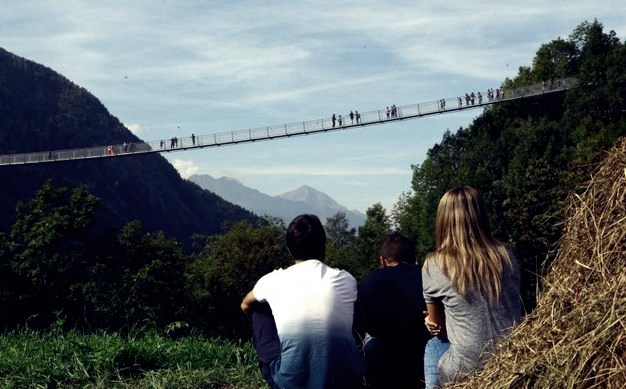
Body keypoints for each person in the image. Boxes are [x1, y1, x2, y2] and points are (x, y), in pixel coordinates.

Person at [241, 214, 364, 389]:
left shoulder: (272, 281)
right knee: (345, 308)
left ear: (290, 250)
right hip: (346, 381)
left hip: (290, 383)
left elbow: (245, 304)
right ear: (323, 247)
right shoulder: (346, 279)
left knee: (258, 308)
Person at [422, 186, 521, 386]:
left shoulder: (434, 265)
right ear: (481, 217)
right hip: (516, 357)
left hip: (467, 369)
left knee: (434, 345)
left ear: (443, 221)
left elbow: (438, 328)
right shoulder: (506, 255)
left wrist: (429, 321)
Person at [354, 232, 429, 389]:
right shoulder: (428, 276)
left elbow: (359, 328)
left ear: (383, 261)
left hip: (384, 362)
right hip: (422, 357)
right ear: (414, 259)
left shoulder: (369, 283)